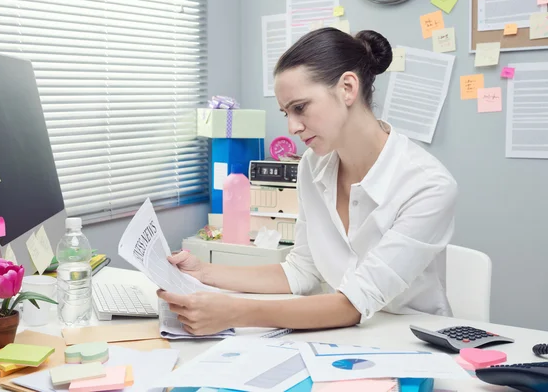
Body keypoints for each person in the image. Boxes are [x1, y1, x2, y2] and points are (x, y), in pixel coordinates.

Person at [157, 28, 457, 336]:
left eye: (300, 107)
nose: (292, 127)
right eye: (286, 112)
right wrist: (203, 272)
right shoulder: (312, 166)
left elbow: (353, 303)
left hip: (414, 343)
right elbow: (300, 270)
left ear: (348, 88)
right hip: (345, 338)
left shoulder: (428, 185)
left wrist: (234, 312)